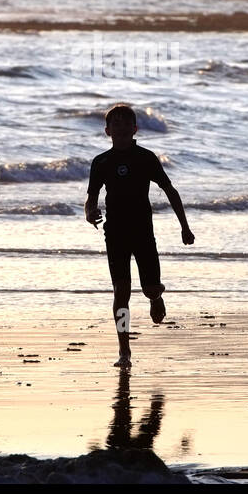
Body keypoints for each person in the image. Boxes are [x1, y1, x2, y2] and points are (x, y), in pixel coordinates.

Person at [84, 103, 194, 368]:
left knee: (150, 289)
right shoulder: (101, 162)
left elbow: (170, 190)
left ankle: (157, 296)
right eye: (115, 123)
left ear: (135, 129)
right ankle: (124, 351)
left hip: (143, 232)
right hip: (115, 234)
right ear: (107, 130)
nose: (120, 127)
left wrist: (185, 226)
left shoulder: (145, 158)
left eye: (126, 123)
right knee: (121, 293)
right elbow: (91, 199)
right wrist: (90, 214)